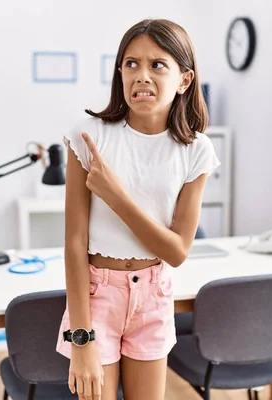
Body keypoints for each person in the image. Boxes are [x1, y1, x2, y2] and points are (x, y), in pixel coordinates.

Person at [55, 18, 220, 400]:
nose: (141, 75)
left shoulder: (197, 150)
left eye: (157, 65)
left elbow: (177, 251)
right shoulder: (89, 136)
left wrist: (115, 196)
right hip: (98, 296)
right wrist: (81, 340)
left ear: (184, 80)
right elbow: (74, 244)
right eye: (131, 64)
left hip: (154, 295)